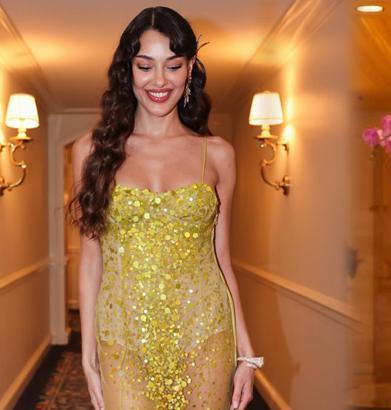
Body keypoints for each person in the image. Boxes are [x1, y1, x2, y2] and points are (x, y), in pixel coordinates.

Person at [68, 7, 259, 409]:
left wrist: (246, 353)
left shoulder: (218, 154)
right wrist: (87, 354)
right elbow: (90, 260)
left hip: (206, 331)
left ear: (189, 69)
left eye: (173, 66)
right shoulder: (91, 151)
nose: (159, 80)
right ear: (128, 71)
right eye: (145, 66)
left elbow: (222, 260)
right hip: (123, 336)